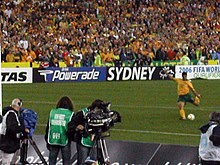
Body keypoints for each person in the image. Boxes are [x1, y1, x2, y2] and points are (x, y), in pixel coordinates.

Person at [68, 99, 106, 165]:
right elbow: (71, 124)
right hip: (83, 141)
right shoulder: (83, 113)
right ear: (96, 108)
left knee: (94, 162)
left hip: (95, 142)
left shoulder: (101, 115)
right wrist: (77, 127)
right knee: (82, 162)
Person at [45, 96, 75, 165]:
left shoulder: (53, 112)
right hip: (65, 139)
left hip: (53, 139)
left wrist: (47, 138)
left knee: (52, 161)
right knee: (66, 161)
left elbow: (49, 126)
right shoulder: (70, 114)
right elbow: (72, 128)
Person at [0, 98, 28, 165]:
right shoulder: (11, 114)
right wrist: (22, 129)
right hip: (9, 145)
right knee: (7, 162)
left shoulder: (10, 113)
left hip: (8, 143)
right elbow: (12, 128)